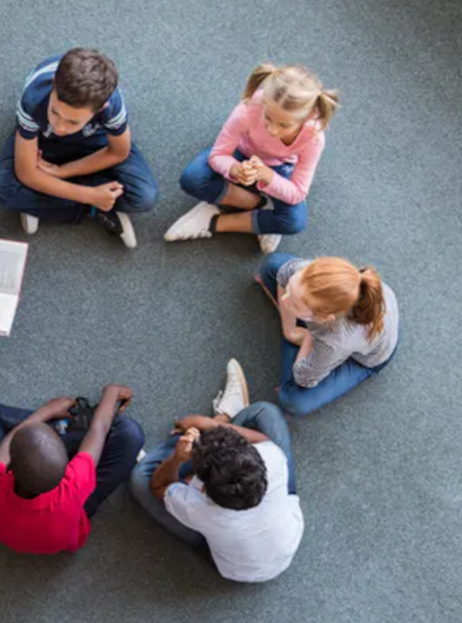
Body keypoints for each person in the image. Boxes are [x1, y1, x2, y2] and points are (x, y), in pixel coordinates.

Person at [129, 359, 303, 582]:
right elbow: (264, 441)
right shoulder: (271, 459)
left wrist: (177, 458)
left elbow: (158, 486)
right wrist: (205, 424)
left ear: (202, 488)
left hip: (233, 568)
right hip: (284, 544)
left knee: (140, 479)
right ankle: (220, 421)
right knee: (264, 413)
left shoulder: (199, 510)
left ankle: (211, 429)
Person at [0, 48, 157, 249]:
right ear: (54, 86)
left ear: (100, 108)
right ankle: (94, 208)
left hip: (94, 140)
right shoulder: (33, 98)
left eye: (73, 122)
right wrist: (90, 196)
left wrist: (60, 171)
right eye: (55, 112)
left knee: (144, 196)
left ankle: (41, 199)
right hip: (43, 141)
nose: (59, 127)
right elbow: (26, 173)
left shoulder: (111, 104)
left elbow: (119, 152)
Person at [164, 63, 340, 254]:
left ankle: (214, 222)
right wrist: (234, 169)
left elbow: (298, 192)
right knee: (192, 178)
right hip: (241, 152)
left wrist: (267, 177)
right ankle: (260, 205)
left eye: (284, 125)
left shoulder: (314, 137)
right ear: (264, 103)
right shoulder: (248, 109)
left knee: (294, 222)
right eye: (268, 118)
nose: (273, 130)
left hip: (279, 167)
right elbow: (219, 154)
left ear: (307, 117)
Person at [0, 386, 145, 553]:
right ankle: (64, 432)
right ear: (67, 468)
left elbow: (10, 442)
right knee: (130, 433)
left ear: (10, 466)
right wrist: (111, 392)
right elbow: (100, 428)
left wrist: (46, 411)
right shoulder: (74, 483)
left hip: (14, 530)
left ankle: (55, 428)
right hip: (74, 509)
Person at [255, 253, 399, 415]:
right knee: (271, 265)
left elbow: (304, 378)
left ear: (324, 318)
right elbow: (283, 275)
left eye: (294, 303)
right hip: (335, 331)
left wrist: (311, 336)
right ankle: (301, 325)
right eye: (289, 291)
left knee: (292, 400)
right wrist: (290, 331)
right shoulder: (302, 271)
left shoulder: (333, 342)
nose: (284, 301)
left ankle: (308, 338)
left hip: (367, 357)